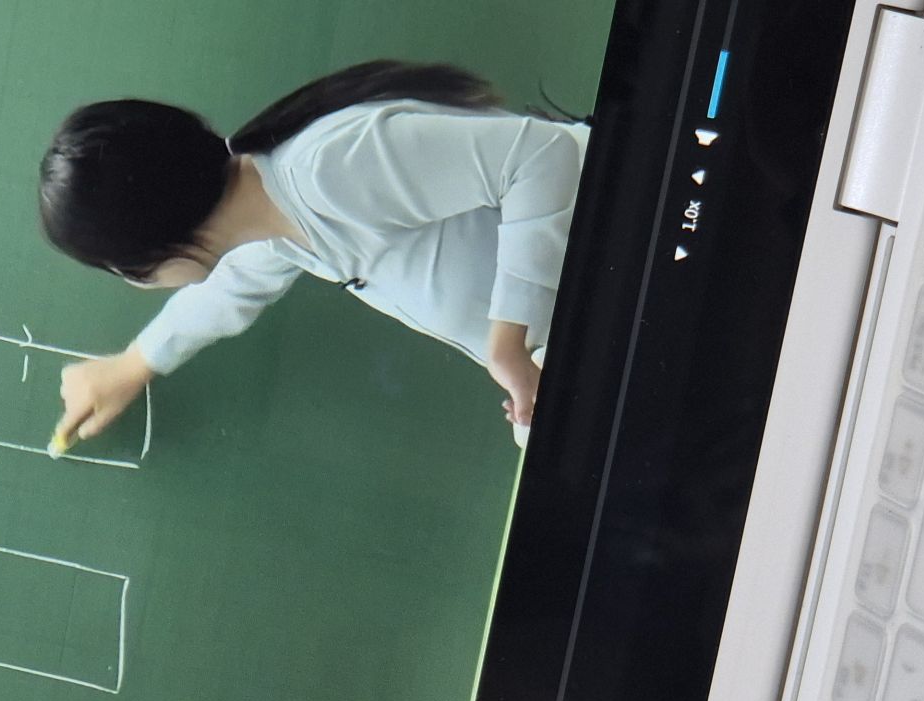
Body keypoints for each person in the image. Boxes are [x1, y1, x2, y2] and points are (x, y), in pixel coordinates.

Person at [39, 61, 589, 450]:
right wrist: (133, 364)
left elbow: (543, 157)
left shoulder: (325, 172)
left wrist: (507, 346)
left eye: (122, 268)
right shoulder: (269, 224)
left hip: (625, 241)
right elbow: (221, 297)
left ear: (156, 246)